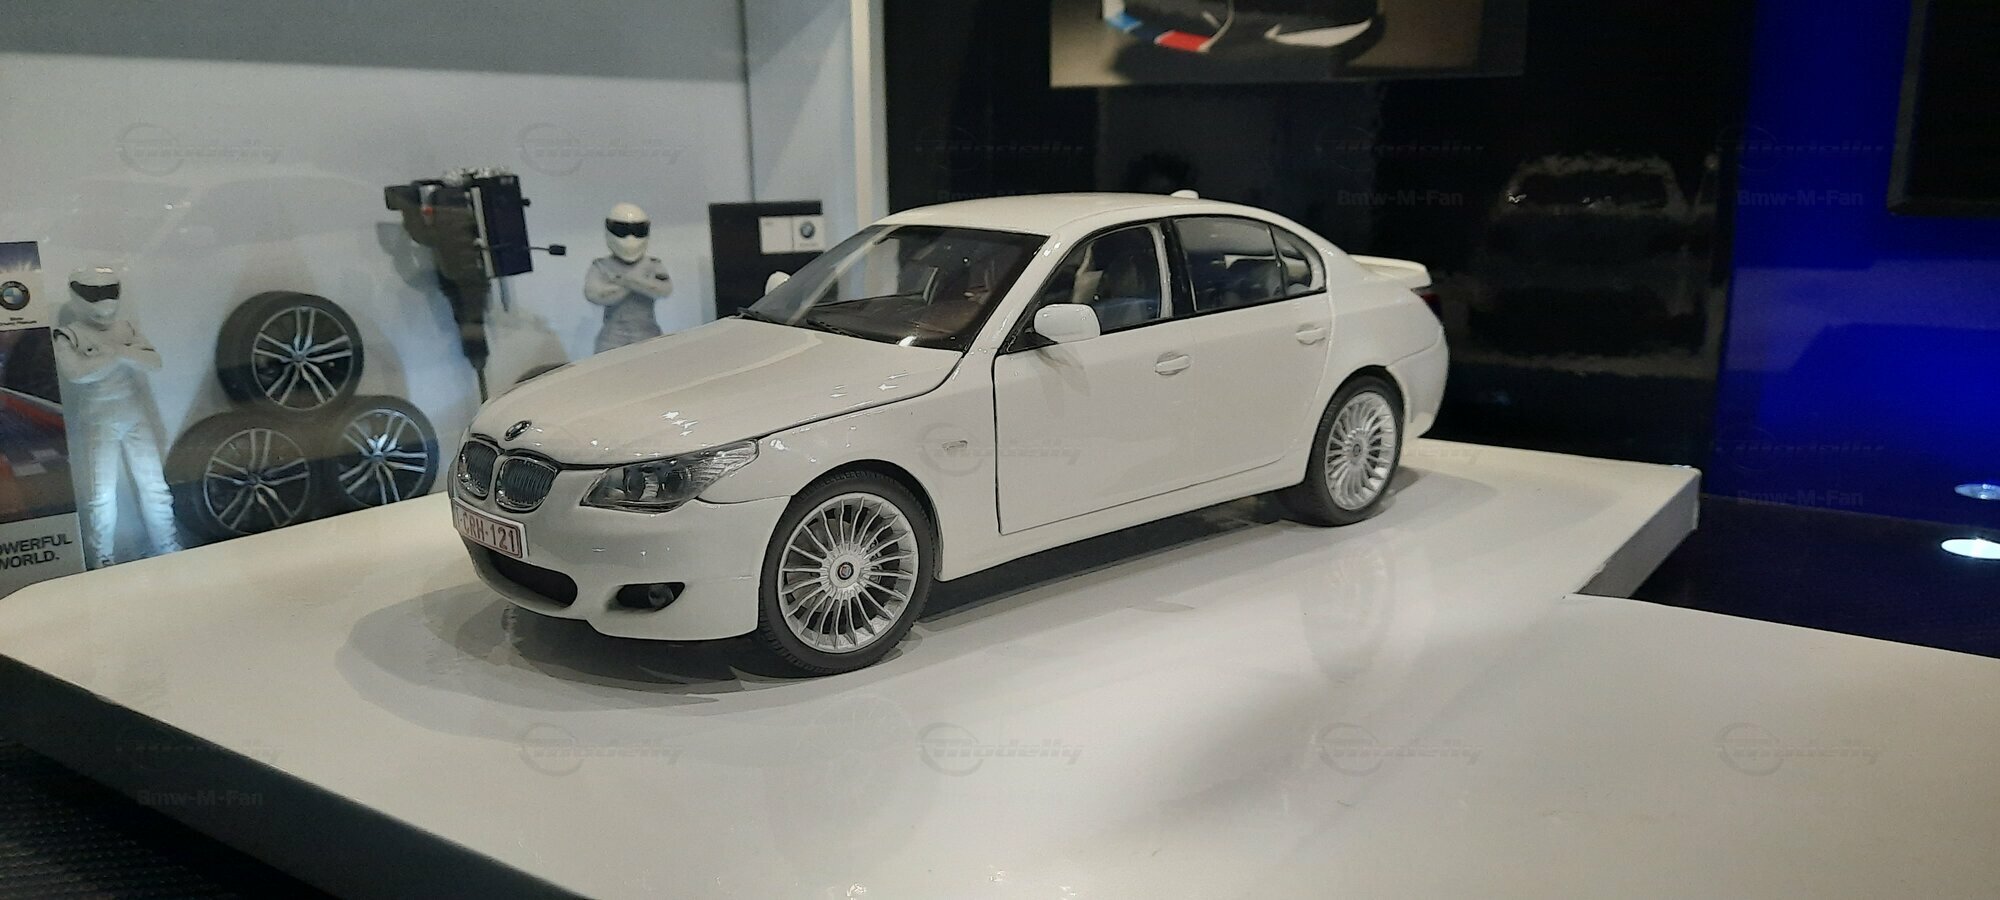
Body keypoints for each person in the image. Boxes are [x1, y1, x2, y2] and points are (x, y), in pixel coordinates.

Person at [53, 266, 181, 566]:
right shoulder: (69, 334)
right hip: (98, 419)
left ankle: (167, 546)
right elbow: (76, 373)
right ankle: (103, 558)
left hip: (134, 416)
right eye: (95, 295)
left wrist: (113, 354)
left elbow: (154, 362)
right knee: (100, 495)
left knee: (155, 488)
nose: (104, 303)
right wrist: (120, 354)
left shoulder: (126, 327)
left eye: (109, 294)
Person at [584, 203, 674, 353]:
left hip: (648, 335)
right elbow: (593, 294)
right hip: (613, 338)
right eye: (622, 231)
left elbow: (665, 290)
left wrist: (625, 281)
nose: (630, 237)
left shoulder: (653, 264)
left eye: (637, 231)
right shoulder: (601, 265)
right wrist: (637, 283)